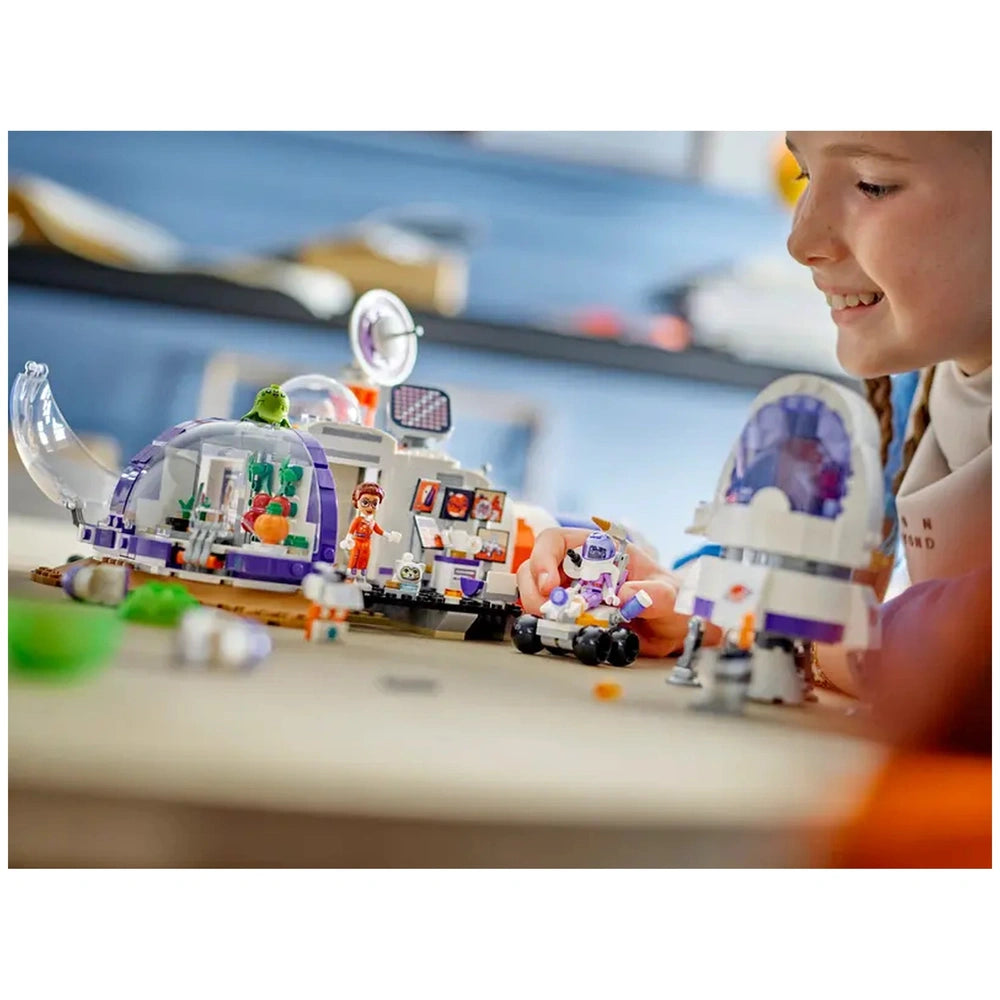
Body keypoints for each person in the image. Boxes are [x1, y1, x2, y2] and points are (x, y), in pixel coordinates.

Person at [518, 132, 992, 691]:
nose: (801, 239)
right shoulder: (916, 385)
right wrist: (689, 600)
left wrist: (795, 633)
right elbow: (798, 553)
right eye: (805, 177)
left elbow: (966, 642)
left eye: (872, 184)